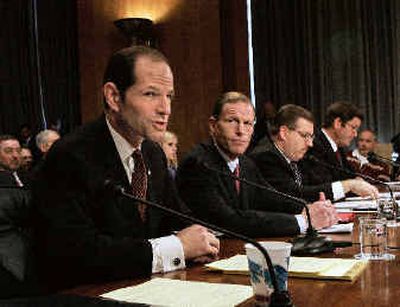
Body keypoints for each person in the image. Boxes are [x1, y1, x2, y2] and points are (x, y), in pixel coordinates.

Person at [32, 46, 219, 290]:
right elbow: (75, 253)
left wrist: (201, 240)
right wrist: (176, 247)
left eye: (169, 96)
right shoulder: (70, 155)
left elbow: (175, 217)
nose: (165, 109)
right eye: (151, 94)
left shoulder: (152, 153)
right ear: (114, 97)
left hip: (148, 288)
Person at [177, 92, 337, 238]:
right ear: (213, 126)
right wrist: (303, 221)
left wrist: (310, 208)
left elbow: (271, 198)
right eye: (232, 121)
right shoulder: (198, 164)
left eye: (247, 123)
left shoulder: (246, 163)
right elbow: (229, 221)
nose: (241, 130)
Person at [251, 105, 379, 202]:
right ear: (284, 133)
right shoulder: (266, 157)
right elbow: (293, 195)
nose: (310, 144)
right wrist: (347, 185)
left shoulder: (292, 157)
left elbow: (309, 188)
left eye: (311, 137)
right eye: (305, 136)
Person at [300, 101, 378, 200]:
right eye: (353, 128)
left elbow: (349, 176)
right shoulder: (314, 145)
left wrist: (358, 181)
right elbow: (323, 186)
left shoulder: (338, 147)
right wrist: (352, 185)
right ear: (338, 123)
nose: (355, 134)